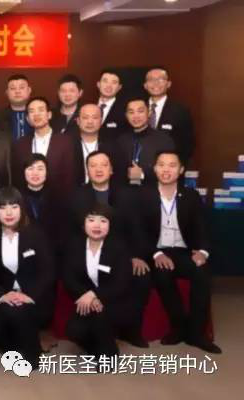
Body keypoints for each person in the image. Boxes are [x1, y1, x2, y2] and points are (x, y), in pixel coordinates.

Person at [141, 151, 221, 353]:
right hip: (158, 251)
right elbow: (138, 231)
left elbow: (202, 228)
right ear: (154, 168)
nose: (166, 170)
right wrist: (156, 254)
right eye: (161, 165)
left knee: (202, 272)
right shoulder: (143, 195)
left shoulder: (191, 196)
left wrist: (203, 252)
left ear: (181, 170)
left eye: (172, 165)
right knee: (162, 273)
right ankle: (178, 328)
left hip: (184, 251)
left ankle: (197, 334)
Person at [70, 150, 150, 346]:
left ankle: (131, 329)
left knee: (142, 275)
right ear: (87, 170)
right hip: (89, 251)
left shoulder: (127, 194)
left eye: (103, 165)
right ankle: (95, 320)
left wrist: (136, 255)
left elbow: (136, 229)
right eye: (93, 165)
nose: (98, 169)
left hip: (121, 254)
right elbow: (73, 232)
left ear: (112, 169)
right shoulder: (77, 195)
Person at [0, 187, 56, 370]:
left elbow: (48, 271)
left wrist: (29, 295)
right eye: (3, 207)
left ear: (21, 209)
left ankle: (32, 355)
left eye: (14, 207)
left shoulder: (35, 235)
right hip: (6, 298)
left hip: (34, 298)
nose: (8, 213)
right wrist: (2, 295)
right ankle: (17, 343)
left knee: (20, 313)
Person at [63, 204, 134, 359]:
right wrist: (87, 295)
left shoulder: (119, 247)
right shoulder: (74, 245)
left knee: (101, 317)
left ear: (110, 225)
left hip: (115, 301)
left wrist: (95, 295)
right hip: (86, 300)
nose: (97, 225)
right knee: (73, 330)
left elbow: (121, 282)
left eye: (103, 221)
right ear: (83, 224)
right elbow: (69, 278)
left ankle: (109, 356)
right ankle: (98, 349)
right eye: (91, 220)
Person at [12, 97, 75, 199]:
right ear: (27, 119)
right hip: (28, 200)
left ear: (49, 115)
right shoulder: (20, 144)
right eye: (32, 111)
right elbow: (17, 176)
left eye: (41, 110)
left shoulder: (66, 141)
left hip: (59, 199)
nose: (36, 114)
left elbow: (70, 175)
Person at [114, 98, 175, 187]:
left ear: (149, 112)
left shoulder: (164, 140)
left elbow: (170, 171)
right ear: (126, 115)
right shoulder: (121, 141)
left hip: (154, 191)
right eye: (131, 112)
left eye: (140, 111)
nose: (136, 116)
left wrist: (142, 175)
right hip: (125, 191)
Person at [145, 67, 195, 165]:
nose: (156, 83)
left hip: (169, 168)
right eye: (151, 80)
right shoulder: (137, 108)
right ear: (145, 85)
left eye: (160, 79)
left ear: (168, 84)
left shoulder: (180, 111)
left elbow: (187, 144)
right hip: (140, 168)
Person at [71, 104, 114, 185]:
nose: (90, 122)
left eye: (95, 117)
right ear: (78, 121)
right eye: (85, 117)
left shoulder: (112, 145)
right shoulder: (68, 145)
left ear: (101, 121)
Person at [0, 74, 33, 141]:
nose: (17, 91)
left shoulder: (38, 114)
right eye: (13, 88)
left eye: (21, 87)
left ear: (29, 90)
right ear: (7, 92)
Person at [96, 69, 130, 141]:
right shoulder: (87, 106)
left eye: (114, 82)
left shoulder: (126, 110)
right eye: (105, 81)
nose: (109, 86)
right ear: (98, 84)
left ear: (119, 87)